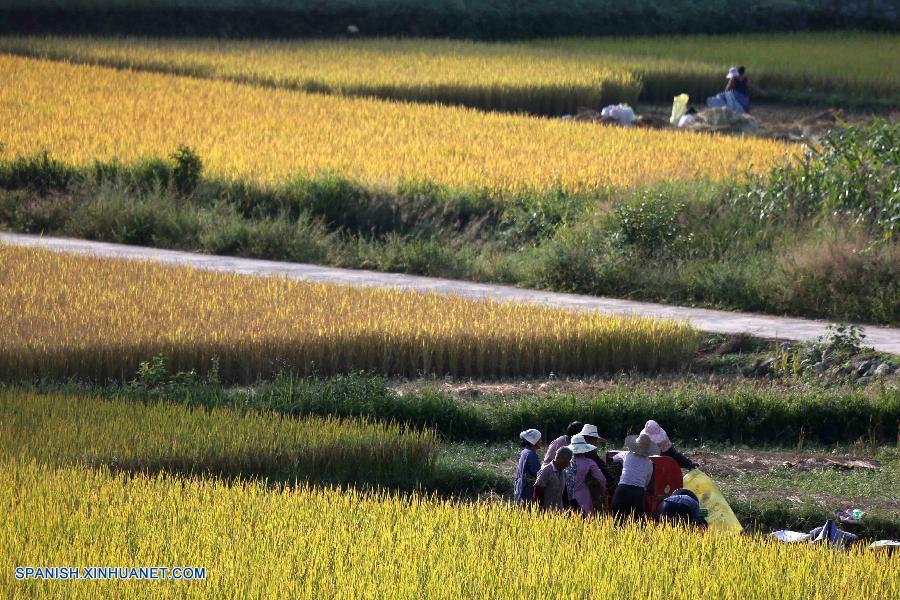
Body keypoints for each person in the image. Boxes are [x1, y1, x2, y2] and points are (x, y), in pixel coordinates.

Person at [611, 433, 659, 520]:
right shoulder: (649, 463)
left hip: (622, 489)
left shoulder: (626, 454)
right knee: (637, 522)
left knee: (617, 520)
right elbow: (647, 481)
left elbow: (614, 458)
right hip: (638, 492)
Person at [568, 434, 607, 518]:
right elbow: (601, 479)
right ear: (584, 448)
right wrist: (603, 490)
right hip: (583, 497)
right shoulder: (589, 463)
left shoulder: (566, 463)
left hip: (566, 497)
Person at [533, 447, 574, 512]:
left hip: (559, 511)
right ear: (561, 459)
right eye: (568, 461)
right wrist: (540, 510)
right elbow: (538, 491)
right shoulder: (546, 471)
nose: (568, 464)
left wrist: (567, 509)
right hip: (546, 511)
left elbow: (564, 493)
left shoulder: (563, 473)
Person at [514, 428, 542, 504]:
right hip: (528, 490)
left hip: (521, 487)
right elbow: (537, 473)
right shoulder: (531, 455)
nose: (541, 442)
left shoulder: (525, 452)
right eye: (540, 440)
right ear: (534, 441)